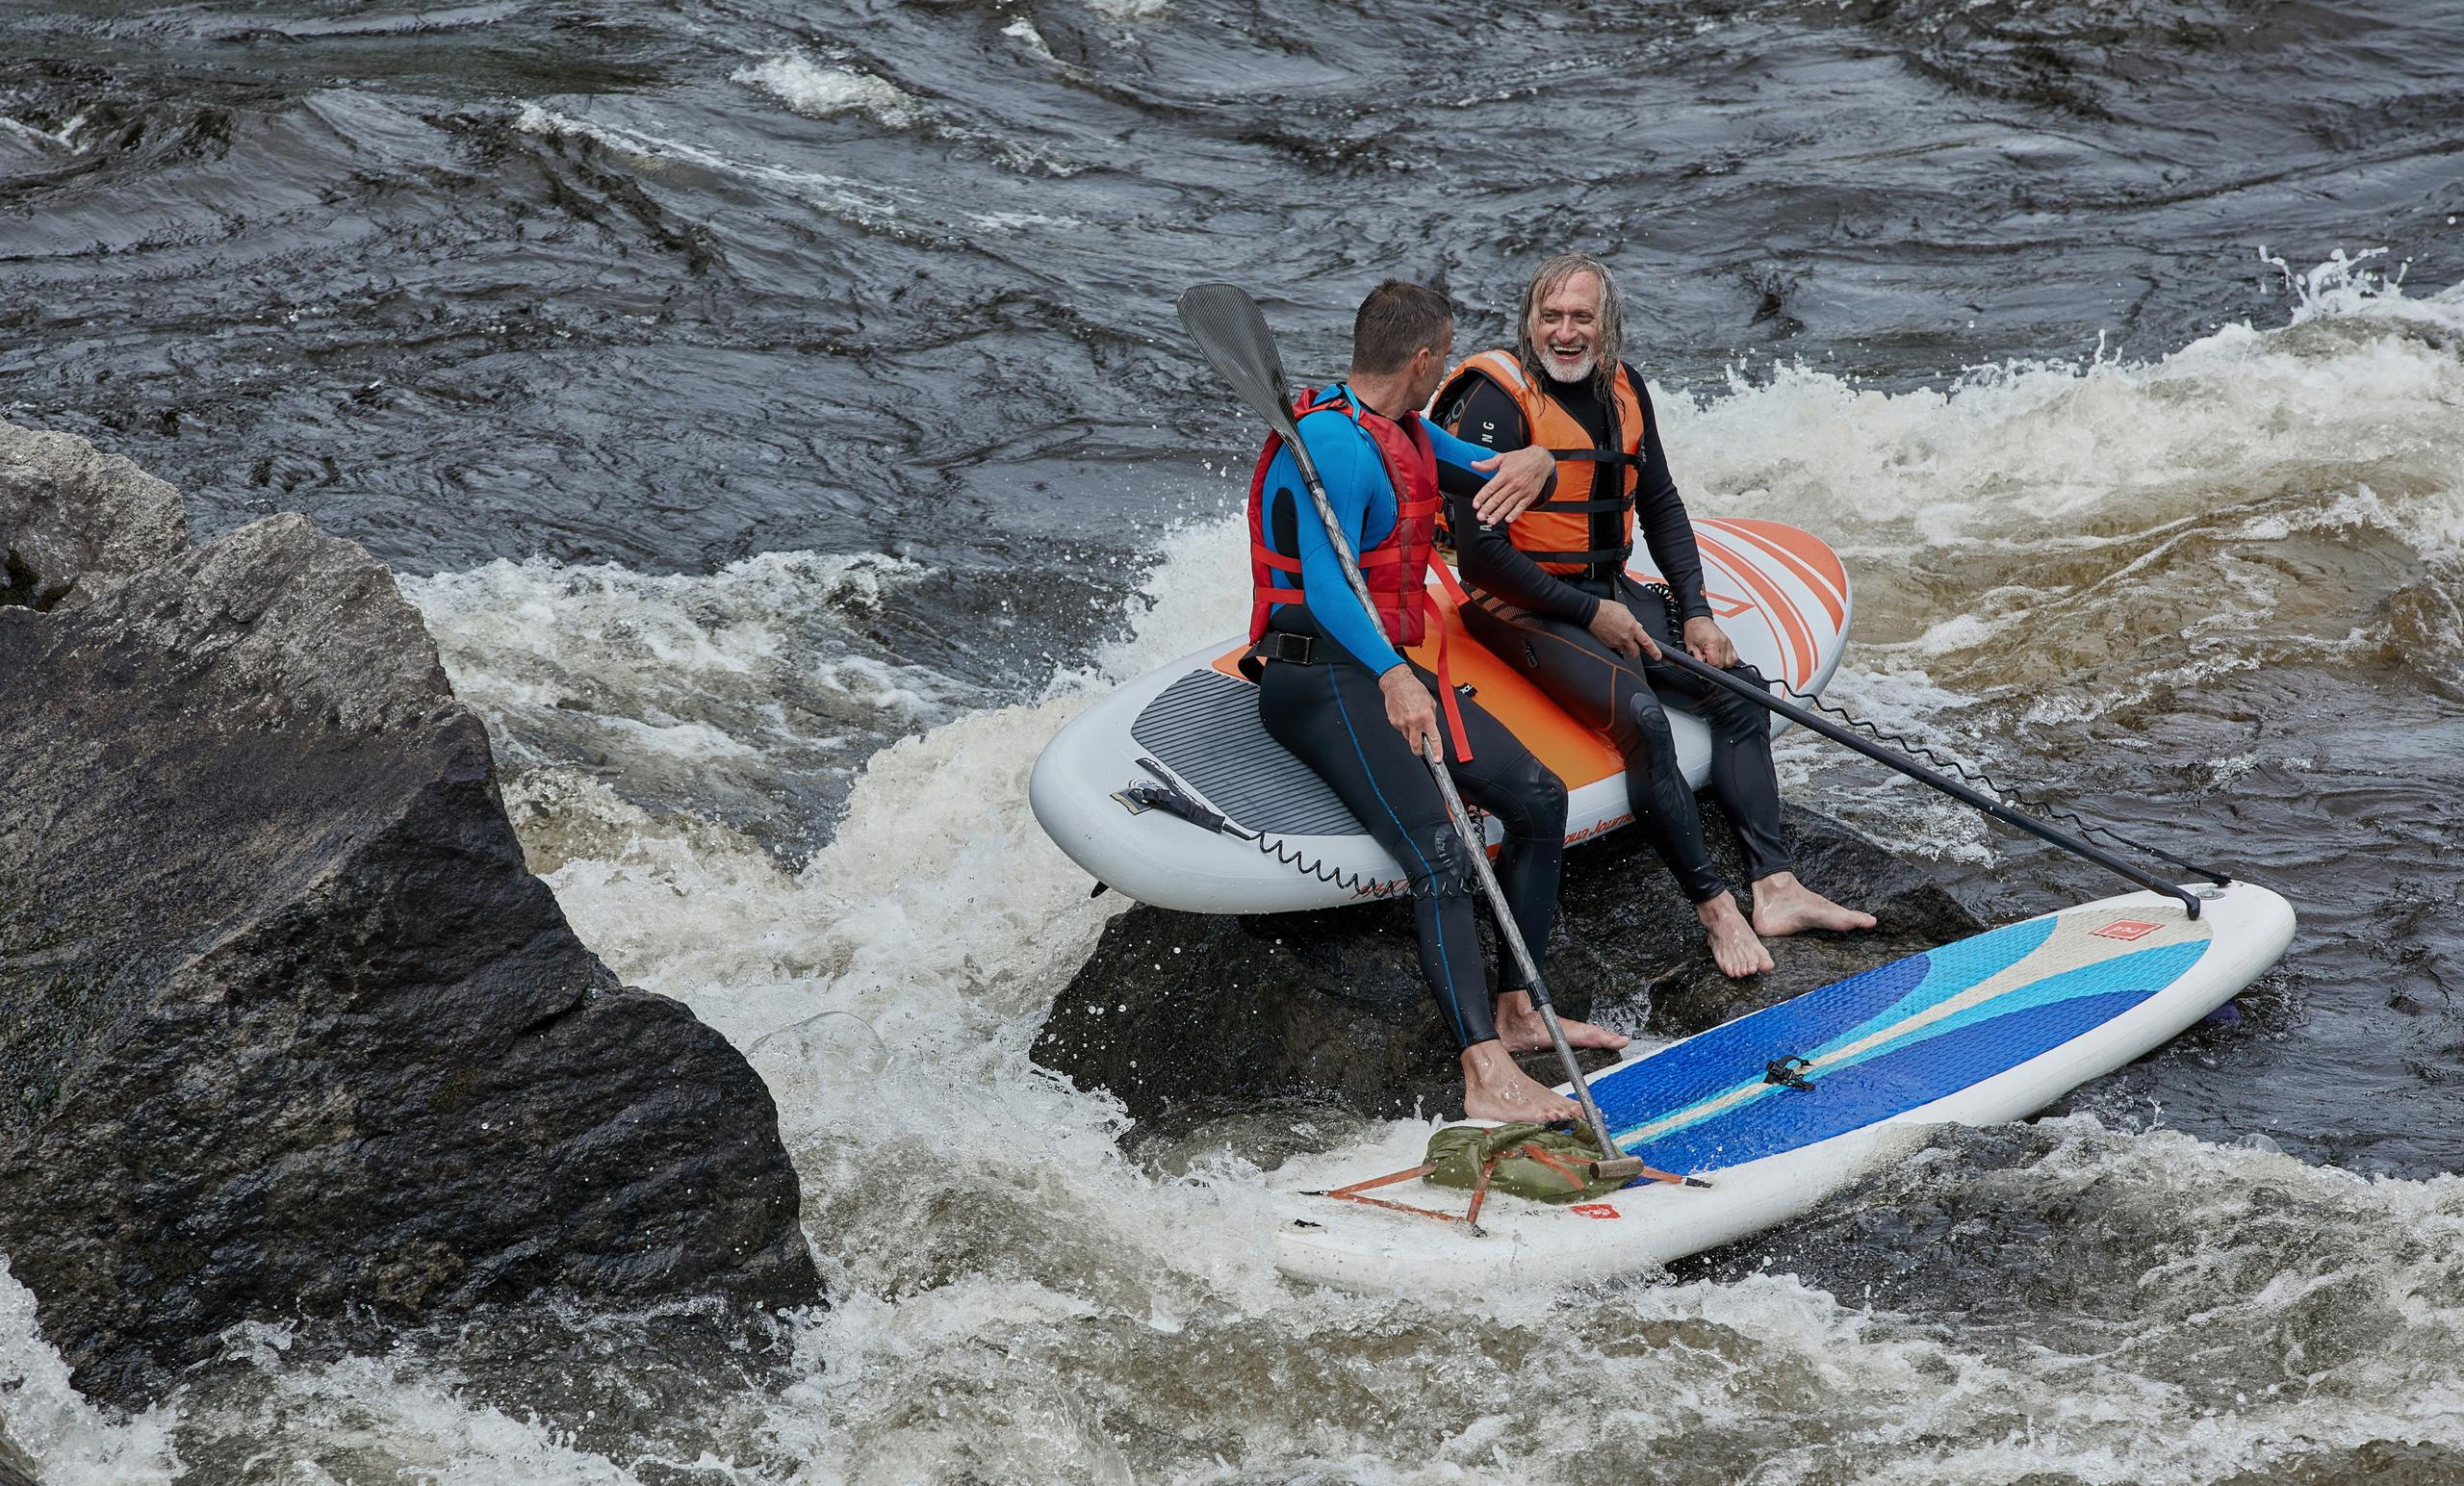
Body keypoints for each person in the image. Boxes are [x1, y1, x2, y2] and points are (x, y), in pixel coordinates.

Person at [1435, 253, 1873, 979]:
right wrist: (1591, 613)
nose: (1565, 333)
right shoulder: (1495, 404)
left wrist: (1696, 612)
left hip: (1608, 585)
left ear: (1608, 326)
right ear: (1529, 323)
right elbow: (1479, 560)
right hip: (1517, 603)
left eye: (1582, 318)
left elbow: (1661, 504)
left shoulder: (1624, 386)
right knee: (1643, 719)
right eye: (1551, 317)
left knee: (1743, 696)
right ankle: (1715, 908)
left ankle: (1775, 886)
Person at [1248, 278, 1621, 1123]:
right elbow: (1331, 585)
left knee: (1536, 796)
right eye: (1444, 358)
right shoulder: (1333, 447)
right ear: (1423, 360)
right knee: (1444, 857)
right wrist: (1392, 677)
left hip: (1384, 668)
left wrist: (1535, 458)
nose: (1445, 370)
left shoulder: (1402, 428)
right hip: (1321, 676)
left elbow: (1489, 466)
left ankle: (1521, 1011)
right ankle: (1483, 1076)